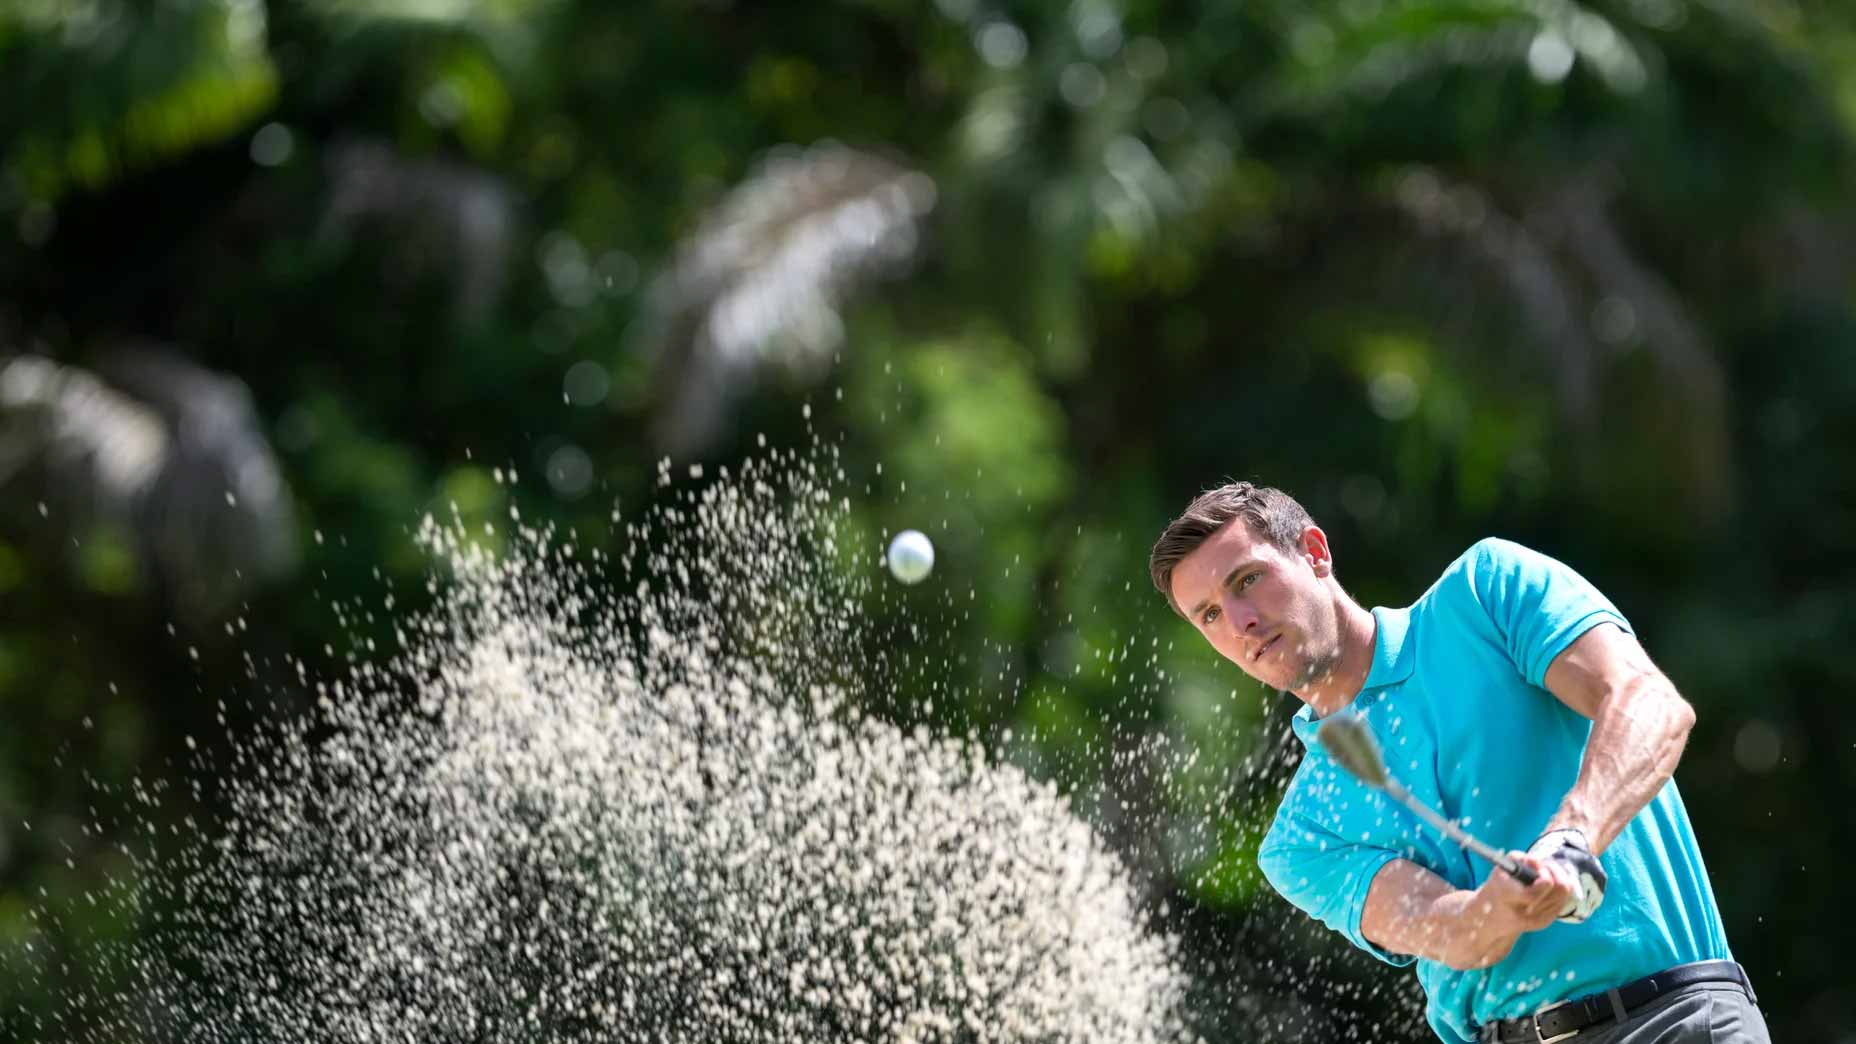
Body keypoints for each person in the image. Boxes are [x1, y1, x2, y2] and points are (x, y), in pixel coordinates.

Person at [1148, 482, 1768, 1044]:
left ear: (1314, 551)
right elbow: (1451, 932)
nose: (1240, 622)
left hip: (1674, 1020)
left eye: (1246, 580)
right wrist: (1497, 908)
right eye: (1209, 615)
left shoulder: (1485, 592)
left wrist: (1571, 837)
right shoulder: (1302, 835)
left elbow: (1649, 705)